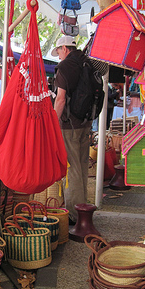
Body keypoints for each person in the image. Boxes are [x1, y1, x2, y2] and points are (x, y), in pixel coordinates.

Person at [53, 36, 91, 225]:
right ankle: (84, 208)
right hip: (86, 122)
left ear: (65, 49)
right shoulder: (86, 62)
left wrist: (52, 122)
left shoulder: (66, 67)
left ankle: (76, 214)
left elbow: (60, 99)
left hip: (69, 125)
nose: (58, 55)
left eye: (58, 51)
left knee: (72, 167)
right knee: (82, 166)